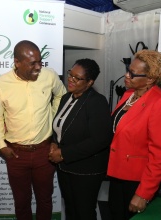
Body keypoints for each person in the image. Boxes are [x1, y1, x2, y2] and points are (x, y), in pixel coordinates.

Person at [0, 40, 66, 220]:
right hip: (16, 154)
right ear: (17, 62)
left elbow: (62, 95)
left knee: (45, 200)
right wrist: (1, 145)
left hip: (44, 152)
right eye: (32, 63)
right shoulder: (2, 83)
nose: (38, 67)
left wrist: (53, 116)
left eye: (40, 61)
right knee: (22, 202)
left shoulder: (49, 76)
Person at [107, 50, 161, 220]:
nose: (127, 75)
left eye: (132, 73)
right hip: (118, 173)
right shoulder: (128, 94)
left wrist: (143, 194)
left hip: (139, 180)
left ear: (151, 79)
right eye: (128, 69)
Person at [48, 59, 113, 220]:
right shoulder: (65, 98)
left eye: (77, 78)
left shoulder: (96, 102)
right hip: (65, 168)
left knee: (84, 212)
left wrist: (64, 153)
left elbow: (100, 140)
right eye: (71, 74)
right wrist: (54, 143)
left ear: (90, 82)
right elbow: (60, 127)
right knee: (70, 210)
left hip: (86, 170)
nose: (71, 79)